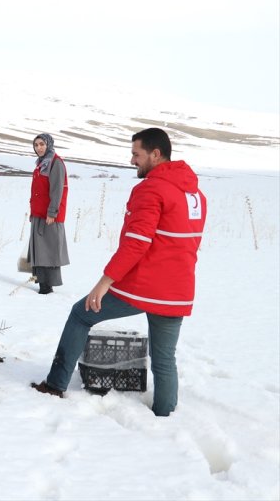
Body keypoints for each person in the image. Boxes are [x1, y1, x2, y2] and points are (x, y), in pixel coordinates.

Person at [31, 128, 207, 417]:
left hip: (145, 285)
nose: (131, 160)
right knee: (164, 359)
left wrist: (104, 283)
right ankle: (166, 418)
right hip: (178, 290)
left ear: (156, 154)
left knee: (81, 313)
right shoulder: (196, 194)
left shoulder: (151, 189)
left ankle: (55, 385)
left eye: (136, 154)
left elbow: (136, 243)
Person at [29, 133, 70, 294]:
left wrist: (52, 212)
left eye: (41, 144)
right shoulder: (41, 163)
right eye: (36, 145)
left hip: (49, 215)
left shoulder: (55, 163)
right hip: (39, 213)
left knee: (48, 249)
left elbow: (57, 190)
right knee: (39, 249)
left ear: (49, 145)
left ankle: (47, 287)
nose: (38, 148)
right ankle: (41, 283)